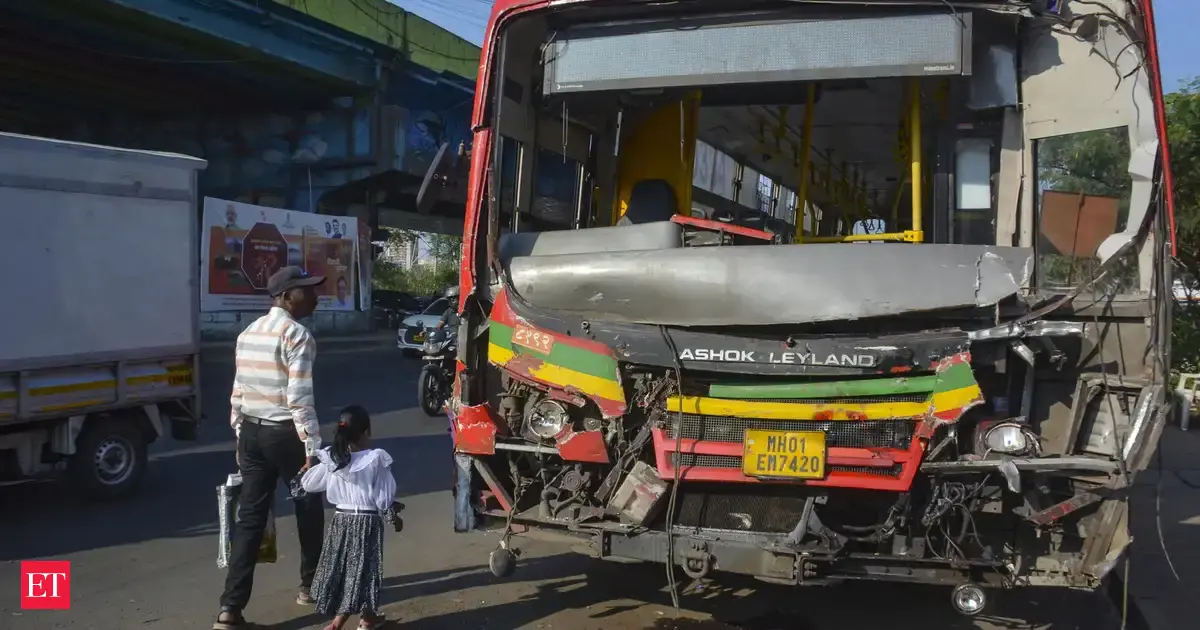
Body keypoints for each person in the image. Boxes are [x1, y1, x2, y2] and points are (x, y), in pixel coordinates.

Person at [214, 266, 328, 630]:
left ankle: (230, 610)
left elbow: (238, 392)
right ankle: (311, 586)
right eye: (306, 291)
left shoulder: (247, 334)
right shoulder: (297, 335)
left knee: (250, 518)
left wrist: (239, 438)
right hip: (285, 435)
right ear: (285, 296)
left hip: (250, 432)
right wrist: (311, 446)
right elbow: (298, 399)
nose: (314, 296)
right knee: (308, 506)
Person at [301, 406, 399, 630]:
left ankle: (367, 617)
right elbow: (384, 498)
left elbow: (309, 483)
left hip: (341, 520)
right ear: (365, 433)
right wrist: (391, 510)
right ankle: (341, 623)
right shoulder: (375, 459)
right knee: (365, 570)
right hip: (366, 522)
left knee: (347, 570)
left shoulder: (333, 459)